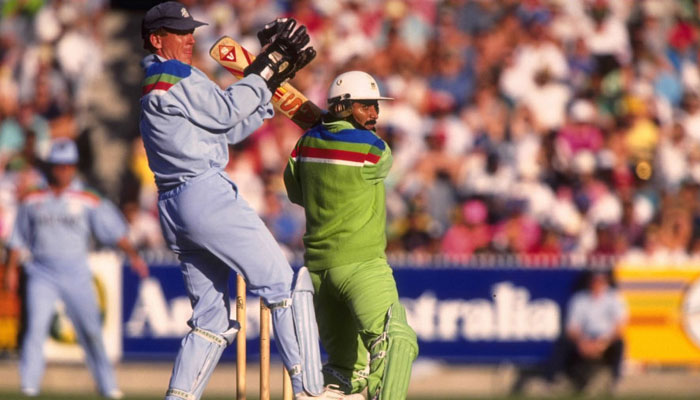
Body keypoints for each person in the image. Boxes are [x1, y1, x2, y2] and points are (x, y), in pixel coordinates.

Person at [138, 3, 342, 399]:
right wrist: (267, 69)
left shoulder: (155, 83)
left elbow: (228, 127)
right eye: (179, 33)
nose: (189, 39)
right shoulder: (174, 74)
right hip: (204, 195)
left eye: (190, 31)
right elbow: (228, 111)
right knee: (284, 285)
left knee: (211, 321)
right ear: (156, 39)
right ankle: (311, 390)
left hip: (175, 207)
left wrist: (266, 84)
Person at [284, 71, 419, 399]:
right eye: (366, 106)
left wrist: (324, 132)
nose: (375, 113)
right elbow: (383, 165)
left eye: (376, 106)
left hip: (318, 271)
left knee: (347, 371)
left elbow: (296, 193)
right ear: (343, 107)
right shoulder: (374, 149)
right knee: (396, 341)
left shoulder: (303, 145)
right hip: (362, 266)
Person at [4, 138, 149, 398]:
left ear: (74, 167)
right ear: (51, 167)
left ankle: (108, 386)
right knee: (35, 329)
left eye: (67, 166)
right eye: (58, 166)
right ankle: (29, 386)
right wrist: (12, 269)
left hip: (76, 272)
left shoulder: (87, 197)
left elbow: (113, 229)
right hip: (41, 271)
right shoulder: (33, 197)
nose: (62, 171)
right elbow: (18, 237)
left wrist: (134, 256)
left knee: (91, 330)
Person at [548, 270, 628, 393]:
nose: (597, 284)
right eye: (595, 281)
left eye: (601, 281)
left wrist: (603, 343)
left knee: (620, 344)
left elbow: (619, 328)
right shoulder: (579, 299)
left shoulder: (614, 299)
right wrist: (582, 342)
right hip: (585, 338)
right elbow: (572, 328)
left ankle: (615, 381)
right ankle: (556, 380)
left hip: (606, 339)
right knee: (564, 344)